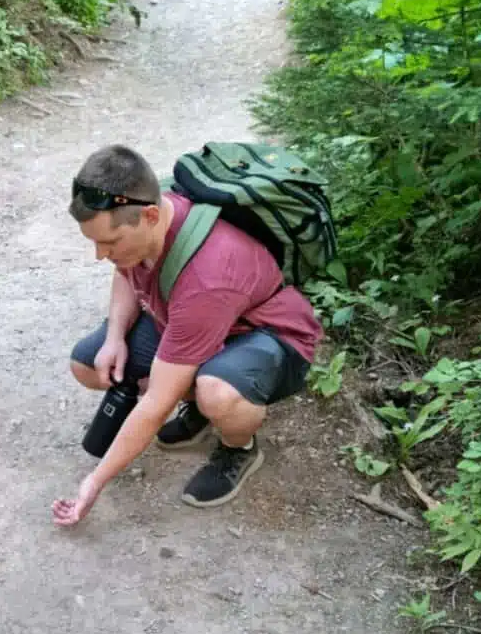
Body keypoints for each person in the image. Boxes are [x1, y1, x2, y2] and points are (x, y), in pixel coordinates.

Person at [52, 144, 323, 527]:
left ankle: (238, 447)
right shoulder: (152, 212)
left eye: (109, 243)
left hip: (268, 336)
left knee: (217, 393)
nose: (100, 254)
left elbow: (156, 402)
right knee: (88, 364)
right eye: (94, 242)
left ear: (149, 215)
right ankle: (197, 403)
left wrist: (94, 483)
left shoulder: (208, 277)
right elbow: (127, 270)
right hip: (192, 323)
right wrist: (115, 338)